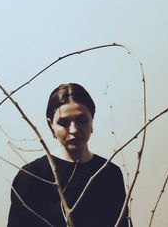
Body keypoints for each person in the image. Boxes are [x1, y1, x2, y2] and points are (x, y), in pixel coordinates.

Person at [7, 83, 131, 227]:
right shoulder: (32, 176)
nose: (74, 129)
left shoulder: (109, 173)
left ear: (92, 120)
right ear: (51, 125)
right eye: (64, 123)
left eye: (81, 121)